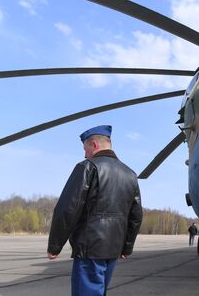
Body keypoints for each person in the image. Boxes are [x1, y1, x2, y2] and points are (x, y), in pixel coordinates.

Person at [47, 125, 143, 296]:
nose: (85, 154)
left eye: (85, 149)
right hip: (113, 250)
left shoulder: (87, 167)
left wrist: (55, 245)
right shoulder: (130, 174)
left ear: (94, 145)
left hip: (90, 248)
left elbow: (68, 209)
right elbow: (135, 216)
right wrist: (126, 247)